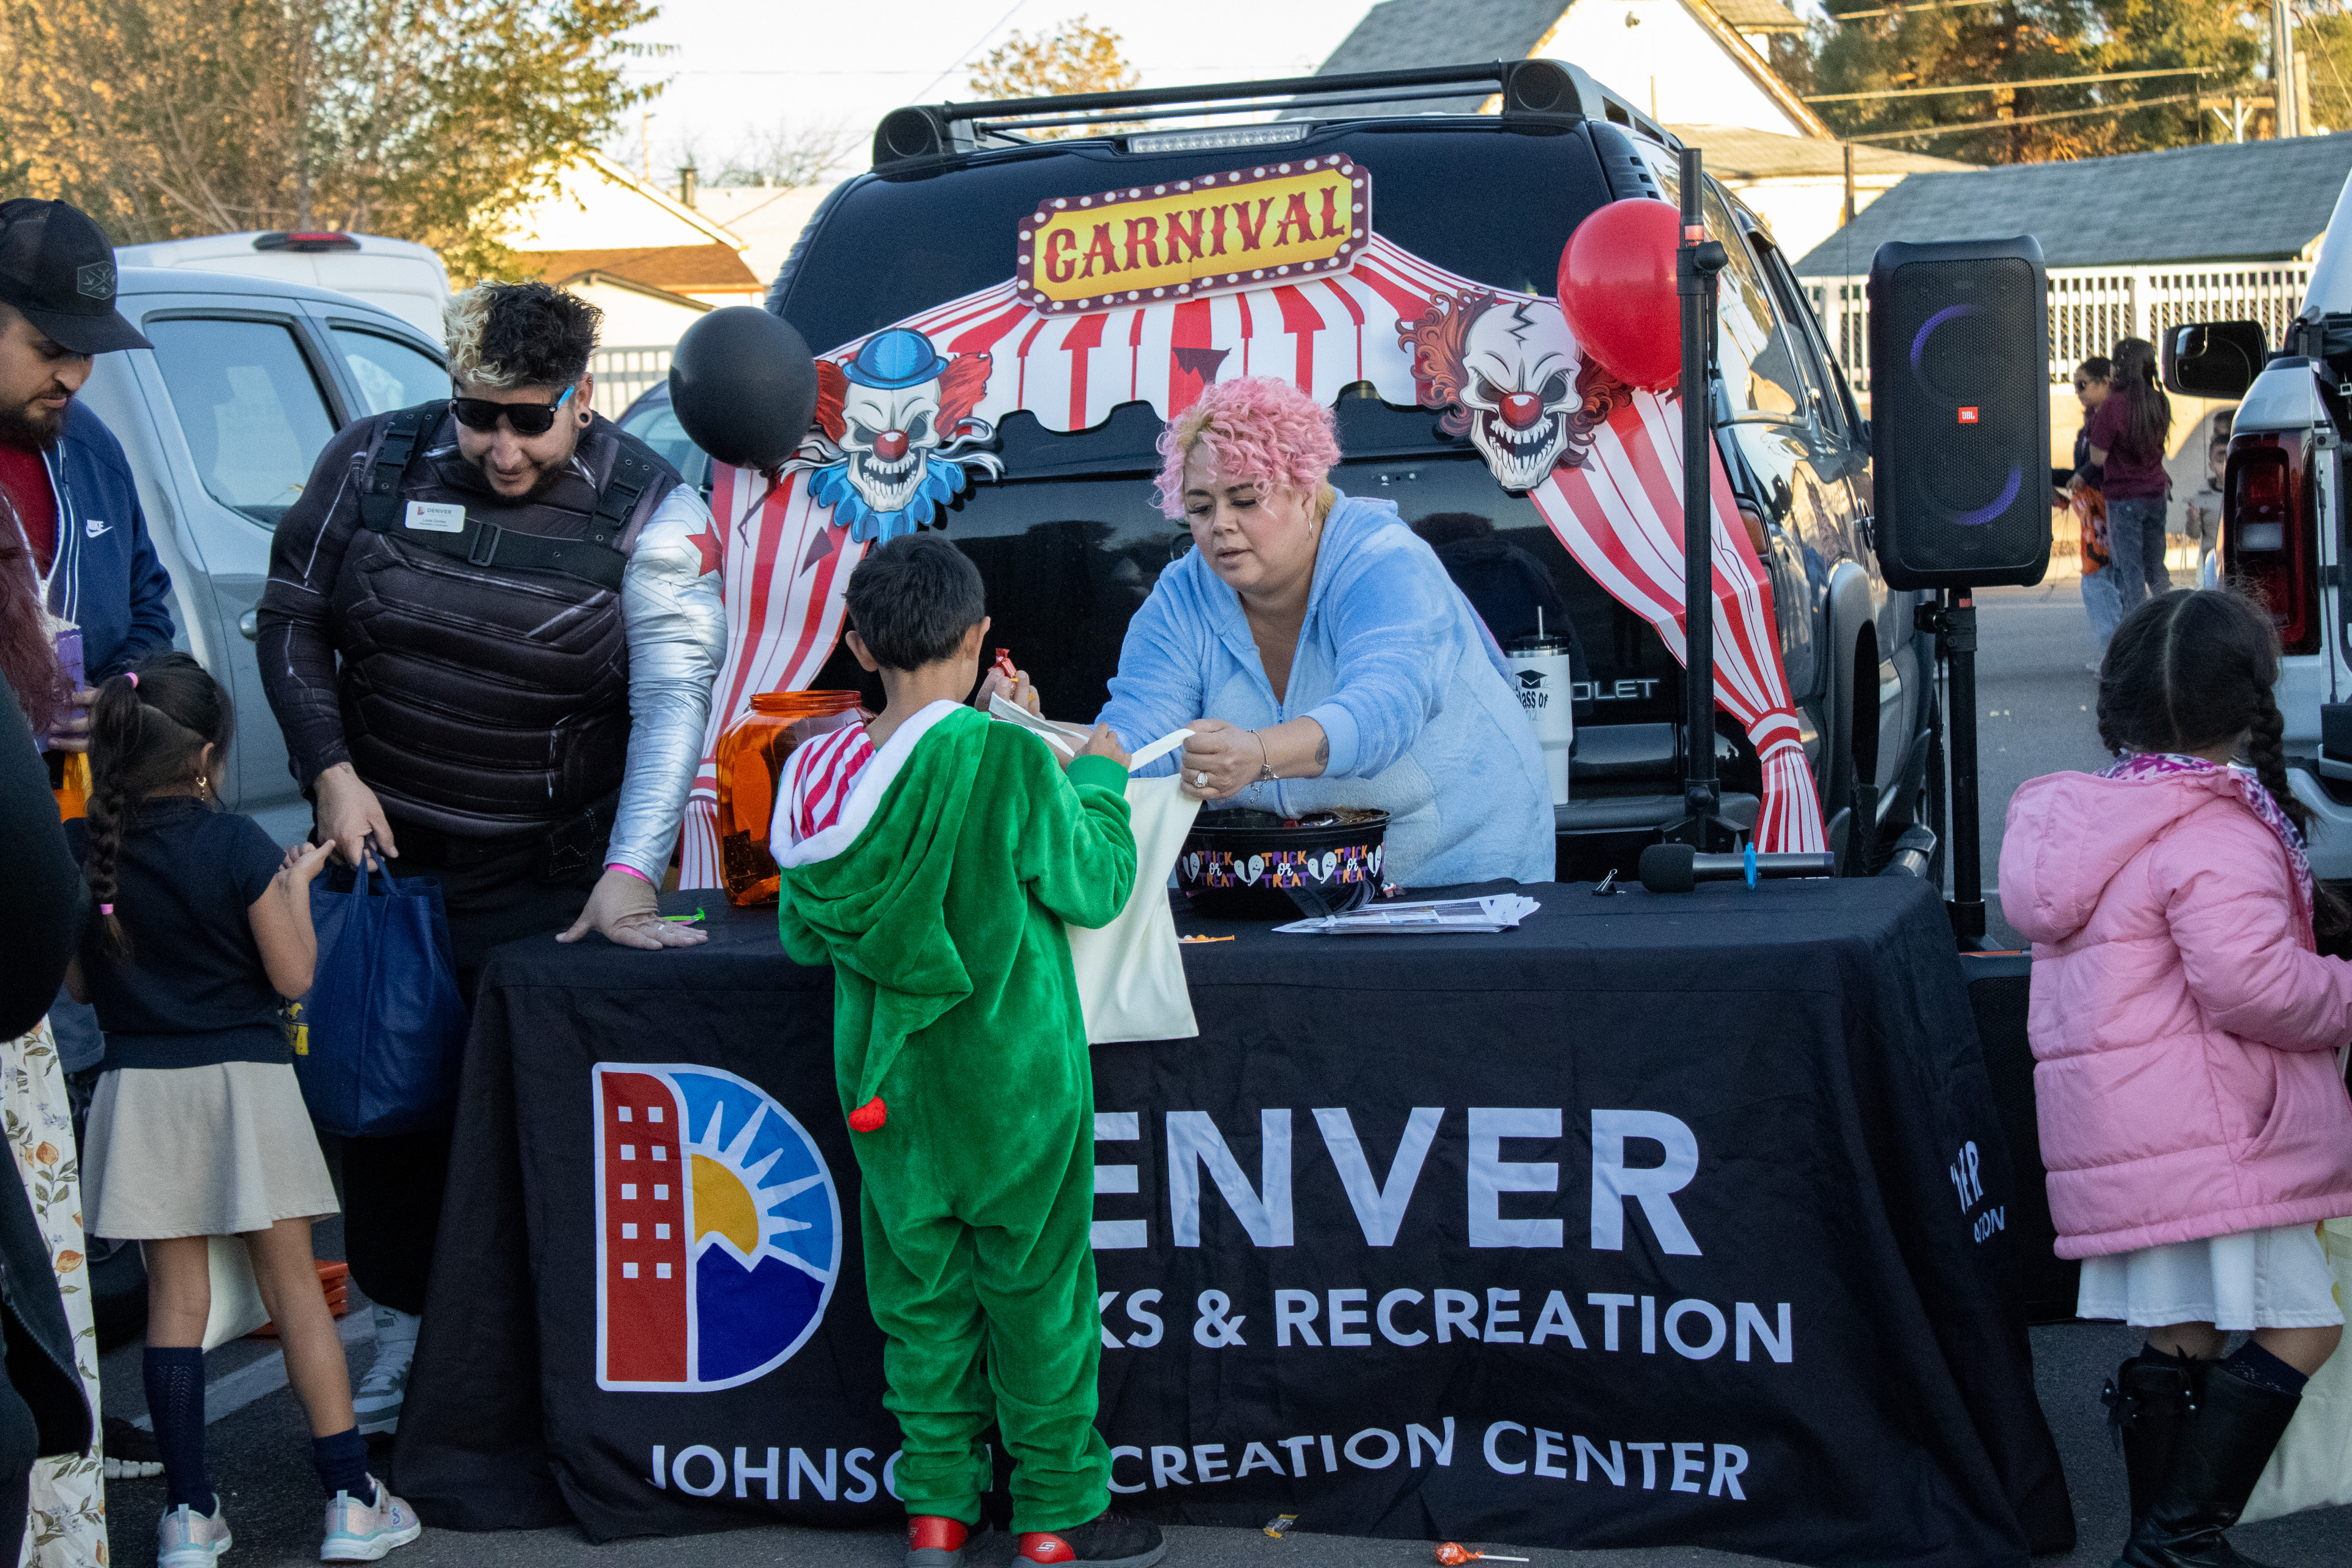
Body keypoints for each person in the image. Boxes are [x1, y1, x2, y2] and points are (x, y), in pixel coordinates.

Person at [256, 280, 725, 1433]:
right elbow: (290, 617)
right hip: (388, 868)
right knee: (390, 1128)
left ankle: (541, 1364)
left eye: (529, 418)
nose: (502, 447)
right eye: (478, 416)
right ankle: (404, 1348)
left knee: (532, 1128)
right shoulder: (370, 462)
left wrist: (630, 867)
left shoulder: (649, 505)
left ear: (581, 399)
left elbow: (673, 696)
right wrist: (329, 767)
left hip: (544, 875)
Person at [774, 536, 1161, 1568]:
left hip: (886, 1090)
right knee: (1040, 1300)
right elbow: (1096, 883)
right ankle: (1056, 1515)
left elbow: (806, 935)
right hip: (1012, 1084)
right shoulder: (1005, 758)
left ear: (856, 643)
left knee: (922, 1306)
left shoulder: (813, 773)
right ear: (982, 634)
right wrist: (1104, 780)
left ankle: (938, 1512)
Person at [1999, 588, 2352, 1568]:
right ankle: (2175, 1546)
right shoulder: (2218, 831)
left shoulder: (2091, 821)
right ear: (2250, 705)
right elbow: (2256, 987)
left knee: (2182, 1332)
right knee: (2306, 1326)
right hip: (2225, 1127)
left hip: (2135, 1130)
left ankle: (2171, 1544)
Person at [62, 653, 420, 1565]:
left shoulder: (87, 850)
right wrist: (294, 891)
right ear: (210, 755)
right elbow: (293, 975)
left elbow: (74, 978)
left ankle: (188, 1513)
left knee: (174, 1300)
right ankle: (349, 1497)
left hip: (139, 1088)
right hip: (247, 1083)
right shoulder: (239, 847)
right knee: (295, 1287)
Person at [1097, 376, 1552, 887]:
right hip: (1294, 891)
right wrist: (1041, 746)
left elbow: (1384, 709)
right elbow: (1141, 739)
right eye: (1201, 508)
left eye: (1245, 500)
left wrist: (1259, 754)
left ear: (1309, 491)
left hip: (1460, 875)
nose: (1218, 524)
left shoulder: (1386, 560)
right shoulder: (1181, 596)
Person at [2080, 338, 2173, 618]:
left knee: (2130, 571)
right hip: (2156, 494)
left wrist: (2091, 419)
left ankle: (2140, 630)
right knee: (2156, 567)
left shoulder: (2114, 406)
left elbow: (2097, 458)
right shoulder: (2159, 400)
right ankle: (2171, 618)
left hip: (2124, 498)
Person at [2056, 357, 2118, 670]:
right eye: (2075, 386)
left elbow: (2100, 465)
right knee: (2105, 579)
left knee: (2100, 580)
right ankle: (2115, 652)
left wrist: (2081, 474)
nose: (2078, 391)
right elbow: (2083, 470)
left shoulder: (2111, 418)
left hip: (2109, 508)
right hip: (2094, 509)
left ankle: (2116, 652)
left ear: (2105, 382)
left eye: (2084, 384)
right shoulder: (2089, 423)